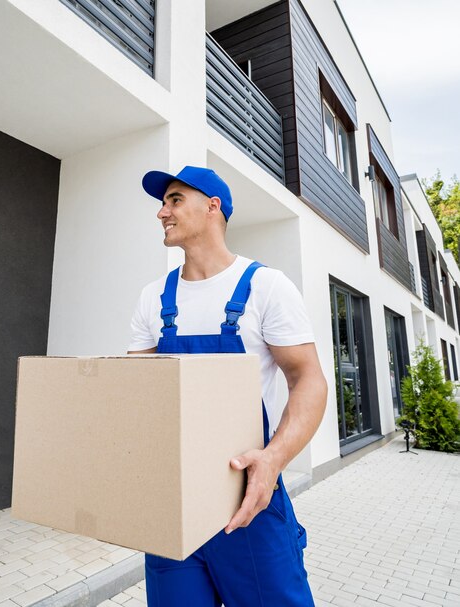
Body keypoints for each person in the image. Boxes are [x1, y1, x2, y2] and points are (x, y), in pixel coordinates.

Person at [128, 166, 328, 606]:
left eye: (175, 200)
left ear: (212, 205)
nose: (162, 212)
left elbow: (309, 380)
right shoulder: (153, 298)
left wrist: (274, 459)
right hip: (172, 505)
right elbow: (137, 395)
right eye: (163, 203)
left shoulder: (265, 287)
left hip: (249, 500)